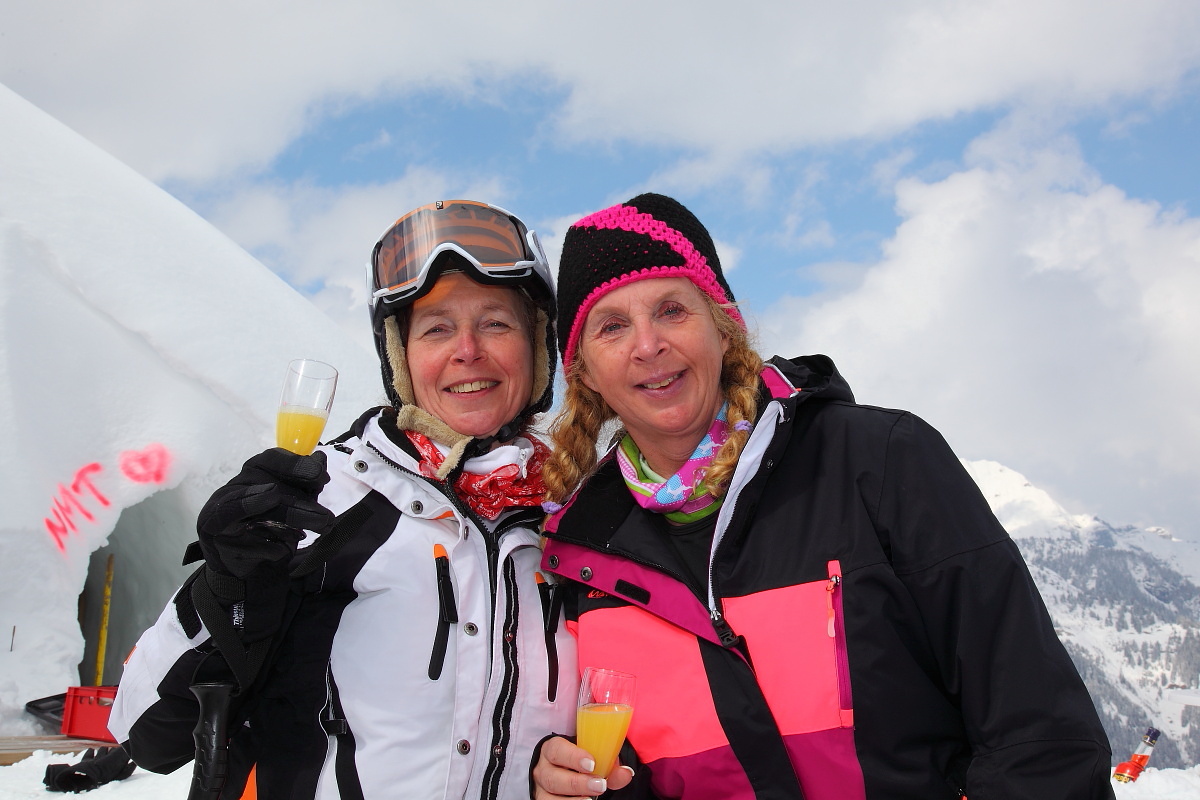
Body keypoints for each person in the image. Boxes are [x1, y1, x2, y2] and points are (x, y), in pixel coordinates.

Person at [531, 193, 1115, 799]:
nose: (647, 345)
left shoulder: (880, 462)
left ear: (723, 330)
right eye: (613, 326)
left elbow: (1039, 736)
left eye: (672, 310)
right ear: (585, 373)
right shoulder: (579, 555)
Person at [109, 200, 578, 799]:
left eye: (496, 323)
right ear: (401, 356)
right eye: (436, 328)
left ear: (536, 349)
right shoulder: (318, 498)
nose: (468, 350)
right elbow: (145, 734)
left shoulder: (572, 520)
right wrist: (226, 588)